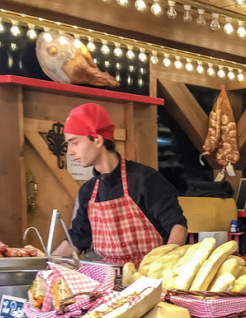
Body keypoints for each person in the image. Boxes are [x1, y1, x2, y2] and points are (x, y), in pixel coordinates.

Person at [52, 103, 187, 266]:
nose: (70, 151)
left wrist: (163, 267)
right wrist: (47, 265)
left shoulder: (145, 179)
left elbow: (178, 227)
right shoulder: (88, 191)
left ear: (97, 139)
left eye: (74, 143)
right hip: (109, 278)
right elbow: (78, 239)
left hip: (148, 276)